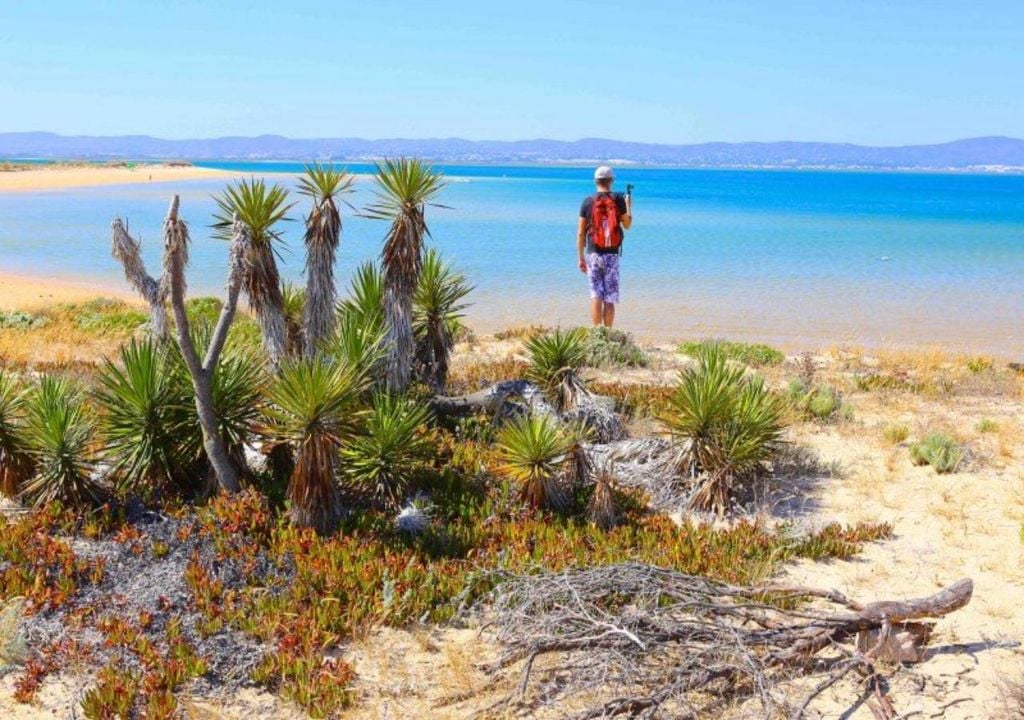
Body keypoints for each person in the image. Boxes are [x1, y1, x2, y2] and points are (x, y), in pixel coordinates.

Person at [577, 165, 632, 327]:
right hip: (612, 254)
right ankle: (607, 335)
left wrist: (580, 258)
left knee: (596, 295)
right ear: (611, 181)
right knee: (609, 298)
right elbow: (627, 225)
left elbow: (580, 233)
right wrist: (629, 206)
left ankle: (597, 334)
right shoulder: (619, 199)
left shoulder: (588, 201)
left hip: (593, 254)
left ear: (595, 181)